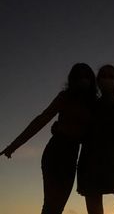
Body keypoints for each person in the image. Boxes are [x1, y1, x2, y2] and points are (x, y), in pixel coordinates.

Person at [0, 63, 97, 214]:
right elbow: (41, 120)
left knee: (58, 207)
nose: (83, 80)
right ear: (73, 79)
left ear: (91, 80)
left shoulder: (94, 104)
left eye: (86, 76)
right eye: (79, 76)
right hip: (55, 152)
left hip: (72, 156)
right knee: (51, 205)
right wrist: (14, 145)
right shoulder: (65, 97)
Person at [77, 64, 114, 214]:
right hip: (91, 166)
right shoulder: (91, 106)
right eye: (103, 75)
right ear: (97, 81)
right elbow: (83, 136)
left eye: (111, 76)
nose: (107, 79)